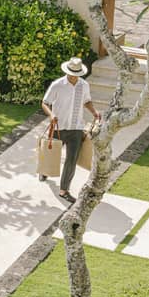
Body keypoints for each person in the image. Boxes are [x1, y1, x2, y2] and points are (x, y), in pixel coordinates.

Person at [41, 56, 101, 203]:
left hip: (76, 128)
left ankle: (64, 190)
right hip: (58, 127)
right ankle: (44, 171)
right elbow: (45, 103)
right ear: (67, 71)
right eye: (72, 73)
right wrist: (51, 114)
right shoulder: (57, 85)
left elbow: (86, 101)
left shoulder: (84, 85)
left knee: (71, 160)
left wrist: (94, 112)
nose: (73, 76)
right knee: (51, 153)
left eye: (76, 74)